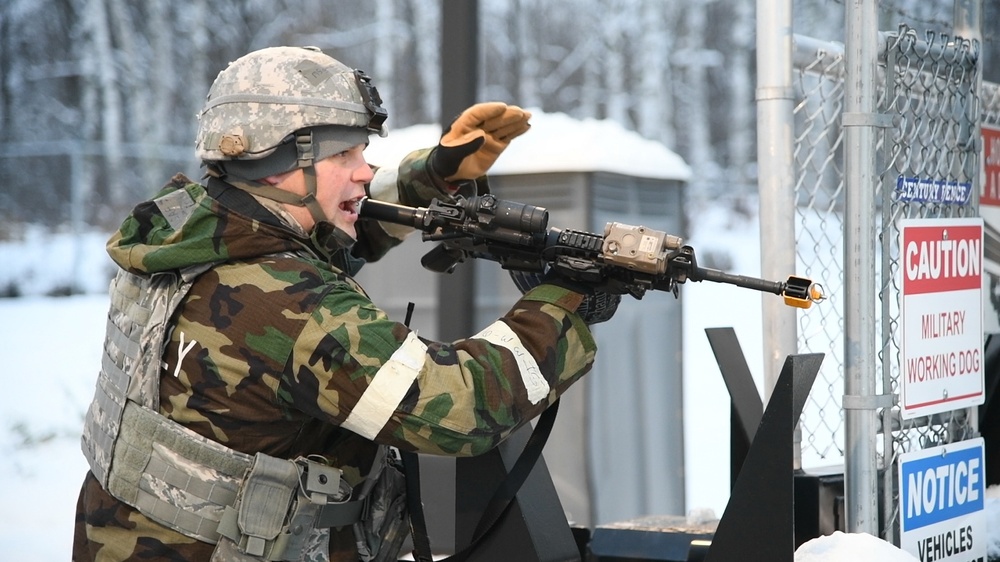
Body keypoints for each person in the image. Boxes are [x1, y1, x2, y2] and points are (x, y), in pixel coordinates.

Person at [73, 46, 619, 562]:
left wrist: (432, 177)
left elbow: (324, 243)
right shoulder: (295, 305)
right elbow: (459, 407)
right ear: (277, 157)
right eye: (343, 153)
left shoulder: (187, 232)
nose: (365, 170)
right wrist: (564, 302)